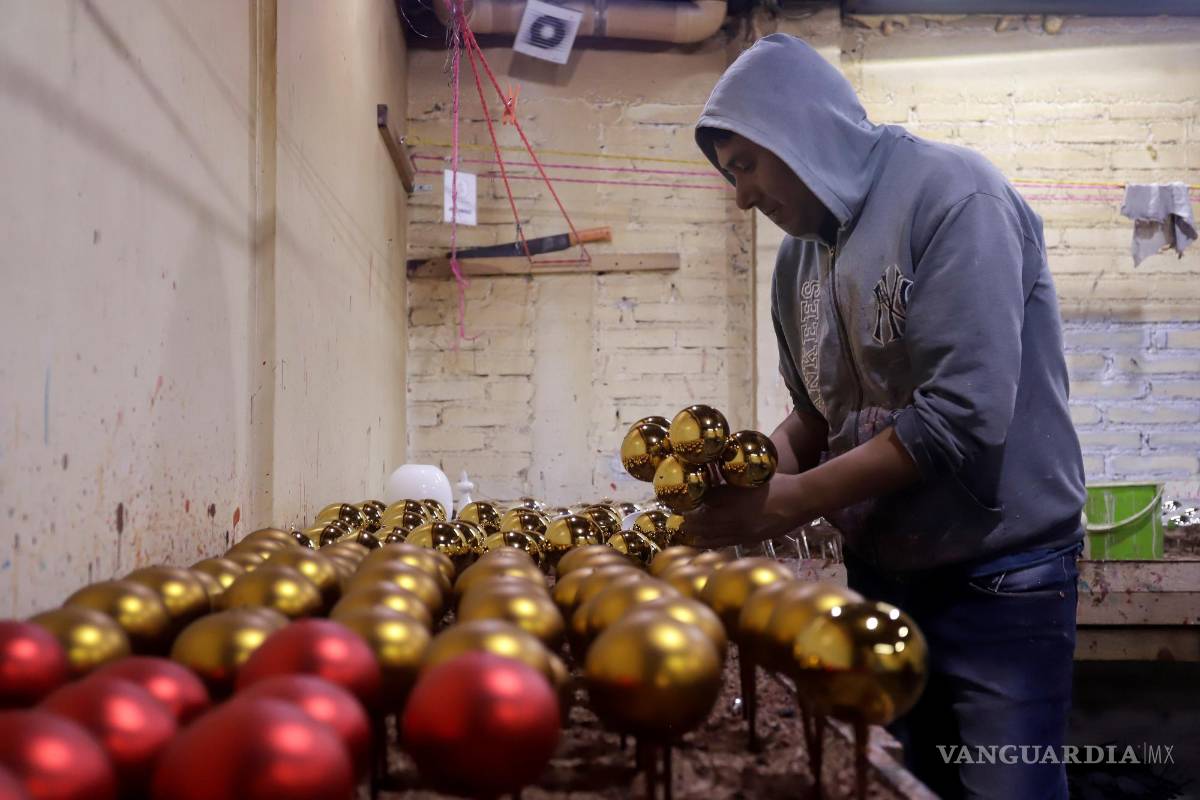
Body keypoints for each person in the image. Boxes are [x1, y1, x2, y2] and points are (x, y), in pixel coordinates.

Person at [684, 34, 1086, 800]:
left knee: (1008, 789)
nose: (740, 196)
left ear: (798, 132)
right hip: (886, 575)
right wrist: (746, 475)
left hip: (1001, 574)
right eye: (728, 173)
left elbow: (960, 420)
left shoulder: (954, 198)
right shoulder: (800, 261)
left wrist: (789, 503)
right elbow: (815, 414)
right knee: (903, 783)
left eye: (746, 165)